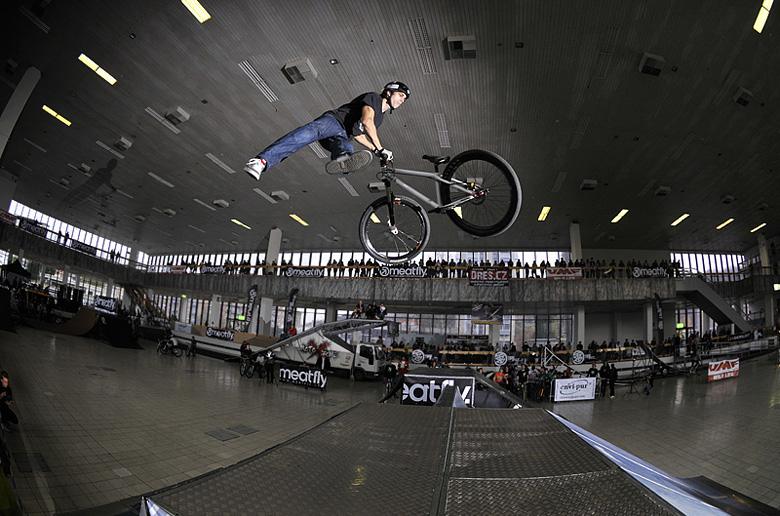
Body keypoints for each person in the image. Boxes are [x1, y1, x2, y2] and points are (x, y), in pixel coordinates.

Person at [244, 81, 410, 180]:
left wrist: (375, 150)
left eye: (405, 98)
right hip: (334, 122)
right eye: (401, 95)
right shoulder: (374, 98)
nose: (403, 100)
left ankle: (343, 161)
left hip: (343, 136)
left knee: (347, 148)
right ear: (389, 92)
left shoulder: (380, 118)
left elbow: (359, 134)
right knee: (307, 134)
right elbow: (367, 122)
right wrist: (381, 148)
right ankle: (261, 162)